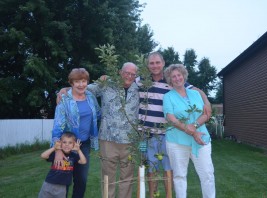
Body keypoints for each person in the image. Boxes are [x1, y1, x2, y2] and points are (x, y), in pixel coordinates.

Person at [136, 52, 212, 197]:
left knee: (169, 169)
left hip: (166, 134)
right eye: (151, 63)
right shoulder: (141, 80)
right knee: (149, 168)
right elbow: (125, 80)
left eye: (157, 62)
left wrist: (206, 101)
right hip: (145, 134)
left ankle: (169, 195)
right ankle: (152, 195)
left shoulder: (172, 79)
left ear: (163, 63)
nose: (155, 66)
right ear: (147, 65)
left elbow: (196, 91)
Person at [163, 64, 215, 198]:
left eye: (179, 75)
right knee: (179, 176)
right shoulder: (168, 97)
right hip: (177, 142)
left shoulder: (196, 94)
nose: (177, 78)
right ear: (169, 79)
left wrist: (195, 126)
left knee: (207, 175)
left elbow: (206, 113)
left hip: (201, 140)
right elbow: (171, 118)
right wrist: (192, 132)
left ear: (184, 76)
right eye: (173, 76)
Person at [89, 62, 139, 198]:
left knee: (127, 178)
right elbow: (85, 90)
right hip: (108, 139)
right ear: (119, 72)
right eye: (126, 72)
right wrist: (65, 90)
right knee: (107, 177)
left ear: (136, 76)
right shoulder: (107, 84)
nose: (129, 76)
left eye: (132, 74)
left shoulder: (140, 87)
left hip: (130, 141)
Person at [52, 68, 101, 198]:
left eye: (84, 81)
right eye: (77, 81)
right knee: (64, 181)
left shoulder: (90, 97)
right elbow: (57, 127)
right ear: (71, 83)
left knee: (82, 180)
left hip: (83, 145)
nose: (81, 84)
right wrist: (58, 151)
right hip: (66, 146)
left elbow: (98, 114)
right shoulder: (64, 100)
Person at [38, 132, 87, 198]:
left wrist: (78, 150)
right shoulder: (56, 154)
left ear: (74, 144)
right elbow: (43, 156)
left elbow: (83, 161)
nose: (67, 145)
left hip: (62, 187)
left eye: (70, 143)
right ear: (60, 143)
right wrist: (54, 148)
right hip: (48, 184)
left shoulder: (74, 156)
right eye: (64, 142)